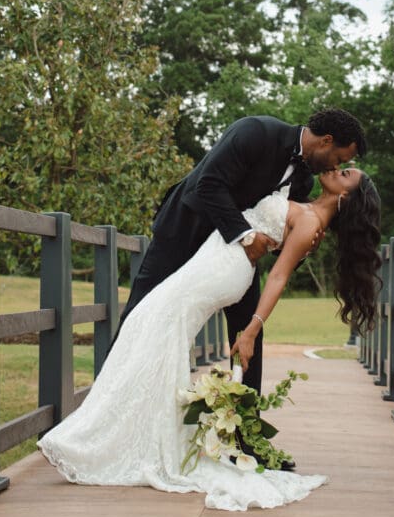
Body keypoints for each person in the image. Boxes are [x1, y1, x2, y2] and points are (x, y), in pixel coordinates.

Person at [38, 165, 381, 511]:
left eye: (347, 173)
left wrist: (250, 330)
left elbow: (277, 278)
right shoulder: (303, 204)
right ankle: (122, 433)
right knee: (149, 323)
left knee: (155, 319)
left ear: (346, 195)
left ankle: (101, 437)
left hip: (226, 269)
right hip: (217, 254)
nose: (338, 169)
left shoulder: (310, 225)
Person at [112, 109, 367, 398]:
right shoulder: (255, 131)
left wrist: (307, 246)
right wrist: (246, 236)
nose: (334, 167)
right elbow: (209, 184)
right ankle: (105, 397)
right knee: (140, 311)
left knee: (248, 333)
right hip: (185, 231)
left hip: (234, 260)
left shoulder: (304, 181)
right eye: (339, 159)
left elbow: (281, 235)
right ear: (326, 141)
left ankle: (244, 435)